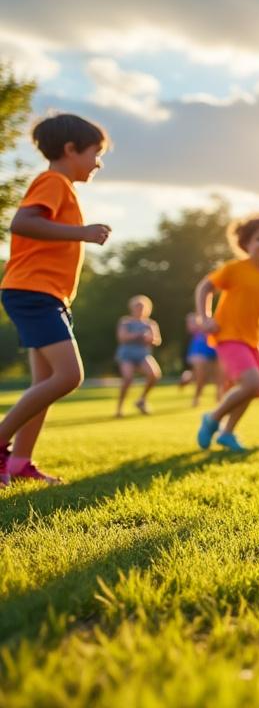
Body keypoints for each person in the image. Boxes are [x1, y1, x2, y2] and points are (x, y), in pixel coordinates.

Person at [0, 114, 111, 486]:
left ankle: (19, 464)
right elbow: (23, 222)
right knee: (69, 376)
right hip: (35, 292)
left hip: (46, 295)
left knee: (44, 381)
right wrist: (82, 232)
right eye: (95, 153)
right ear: (70, 149)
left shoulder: (62, 187)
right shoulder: (53, 182)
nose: (98, 162)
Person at [194, 215, 259, 453]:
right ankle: (212, 419)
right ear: (246, 243)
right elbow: (205, 287)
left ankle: (227, 433)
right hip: (228, 335)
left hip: (253, 340)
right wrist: (205, 317)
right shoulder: (235, 269)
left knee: (256, 388)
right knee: (251, 383)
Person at [114, 295, 162, 416]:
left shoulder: (151, 324)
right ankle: (119, 408)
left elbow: (157, 340)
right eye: (137, 306)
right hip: (127, 355)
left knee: (154, 375)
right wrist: (138, 335)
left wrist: (150, 339)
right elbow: (122, 337)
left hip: (143, 354)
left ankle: (141, 400)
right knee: (128, 378)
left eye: (142, 307)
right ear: (132, 308)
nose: (139, 309)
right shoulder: (125, 321)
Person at [183, 312, 221, 407]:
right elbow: (190, 326)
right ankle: (196, 397)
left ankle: (219, 399)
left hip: (213, 351)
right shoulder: (197, 323)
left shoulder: (212, 322)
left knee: (218, 377)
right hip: (198, 353)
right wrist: (199, 324)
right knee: (201, 377)